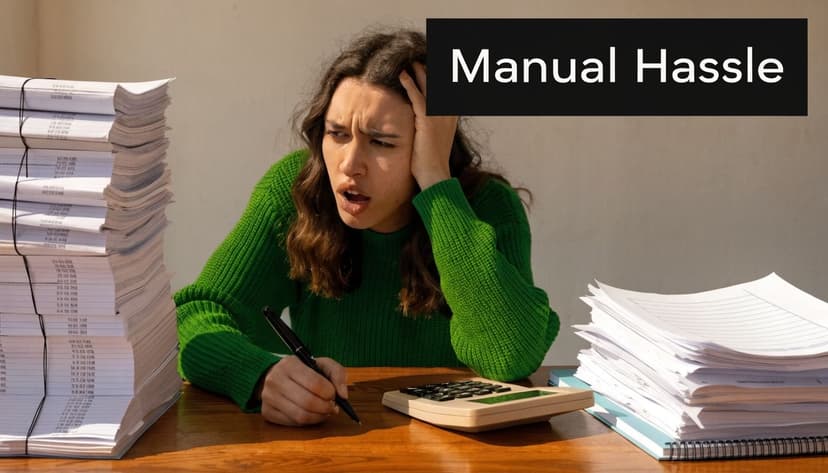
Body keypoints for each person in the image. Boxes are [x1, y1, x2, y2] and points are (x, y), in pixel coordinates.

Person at [175, 28, 559, 427]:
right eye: (337, 134)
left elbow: (511, 354)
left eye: (382, 142)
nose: (349, 164)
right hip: (339, 442)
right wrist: (260, 374)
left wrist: (436, 186)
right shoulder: (298, 192)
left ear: (432, 143)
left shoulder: (486, 206)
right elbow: (195, 316)